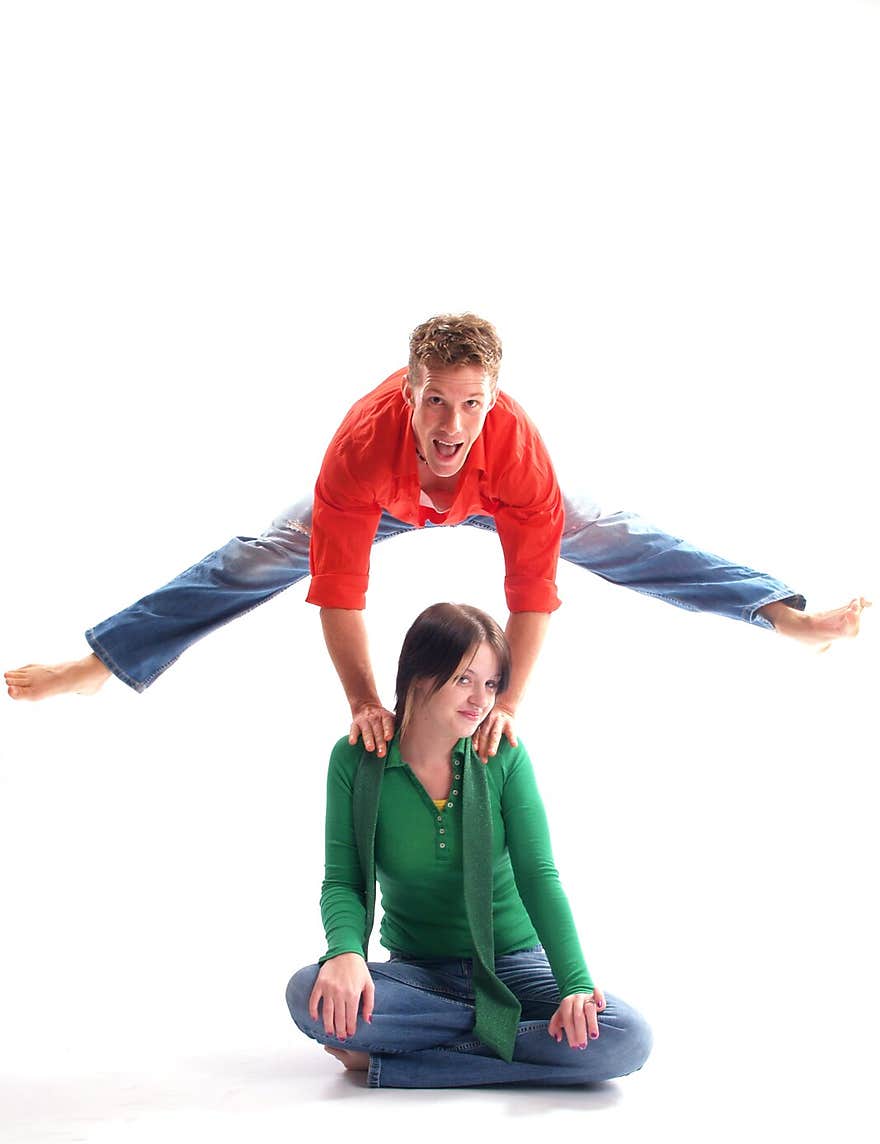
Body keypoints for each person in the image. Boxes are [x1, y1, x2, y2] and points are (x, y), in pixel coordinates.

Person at [5, 315, 868, 763]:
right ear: (409, 393)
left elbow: (532, 598)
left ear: (490, 402)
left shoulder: (516, 453)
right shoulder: (357, 451)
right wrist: (360, 702)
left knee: (616, 534)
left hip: (498, 499)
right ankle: (105, 663)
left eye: (471, 404)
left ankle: (779, 614)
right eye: (435, 401)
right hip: (385, 499)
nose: (452, 424)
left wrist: (513, 706)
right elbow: (339, 597)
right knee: (257, 554)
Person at [285, 602, 652, 1088]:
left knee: (625, 1036)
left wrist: (576, 985)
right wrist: (346, 953)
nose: (481, 699)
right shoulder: (358, 758)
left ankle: (396, 1063)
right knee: (309, 992)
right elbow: (344, 880)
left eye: (492, 683)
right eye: (464, 679)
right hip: (421, 975)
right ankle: (511, 1037)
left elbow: (539, 878)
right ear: (419, 674)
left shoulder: (501, 756)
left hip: (515, 966)